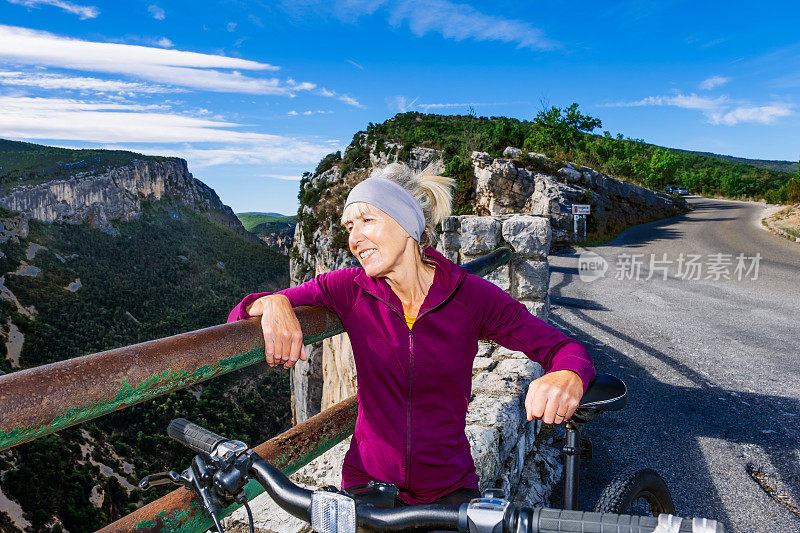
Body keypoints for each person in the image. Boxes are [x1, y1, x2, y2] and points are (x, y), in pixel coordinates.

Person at [227, 162, 595, 508]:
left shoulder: (470, 297)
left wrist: (568, 374)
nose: (354, 239)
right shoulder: (348, 288)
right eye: (349, 227)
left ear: (406, 226)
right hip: (367, 484)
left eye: (366, 220)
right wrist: (271, 302)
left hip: (449, 487)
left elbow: (562, 347)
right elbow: (235, 319)